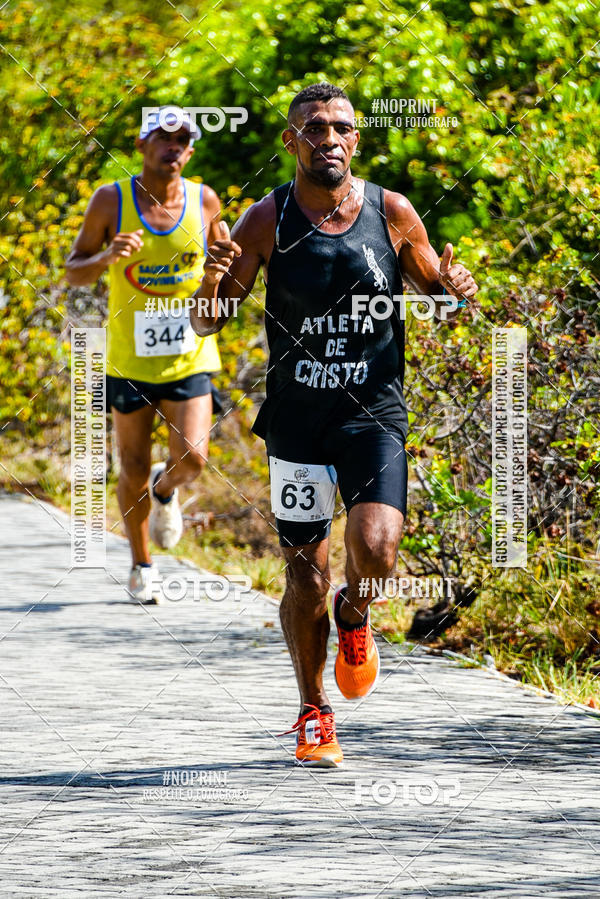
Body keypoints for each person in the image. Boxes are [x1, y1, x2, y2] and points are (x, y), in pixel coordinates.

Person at [191, 83, 478, 766]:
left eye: (340, 127)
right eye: (313, 128)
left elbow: (437, 292)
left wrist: (455, 289)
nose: (328, 138)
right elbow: (209, 322)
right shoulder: (266, 220)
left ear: (356, 140)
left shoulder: (393, 211)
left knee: (376, 551)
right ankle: (312, 709)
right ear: (292, 142)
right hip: (297, 420)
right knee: (304, 577)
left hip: (372, 412)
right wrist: (209, 283)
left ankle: (357, 616)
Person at [66, 106, 222, 604]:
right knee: (131, 465)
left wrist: (220, 269)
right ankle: (141, 563)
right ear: (141, 145)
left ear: (191, 151)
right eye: (163, 138)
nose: (172, 147)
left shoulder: (205, 200)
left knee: (194, 458)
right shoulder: (110, 201)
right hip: (130, 361)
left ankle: (166, 490)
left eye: (182, 140)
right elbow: (74, 271)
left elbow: (224, 266)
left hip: (189, 354)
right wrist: (106, 257)